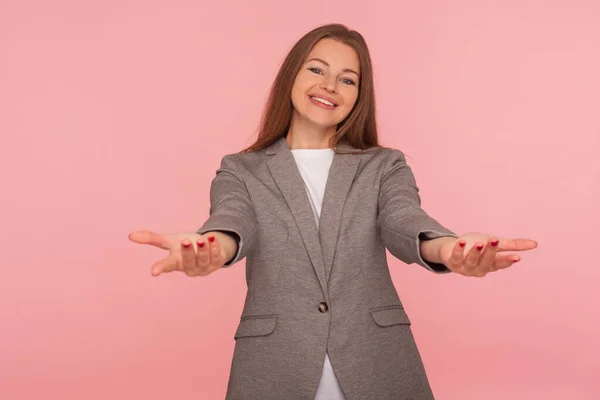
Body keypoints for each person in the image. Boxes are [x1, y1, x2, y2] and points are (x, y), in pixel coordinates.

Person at [129, 23, 538, 400]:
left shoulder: (384, 165)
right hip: (273, 367)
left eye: (347, 79)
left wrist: (448, 249)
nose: (330, 86)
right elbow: (234, 220)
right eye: (317, 70)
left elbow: (403, 219)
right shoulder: (241, 169)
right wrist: (210, 249)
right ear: (291, 75)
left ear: (359, 96)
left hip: (379, 365)